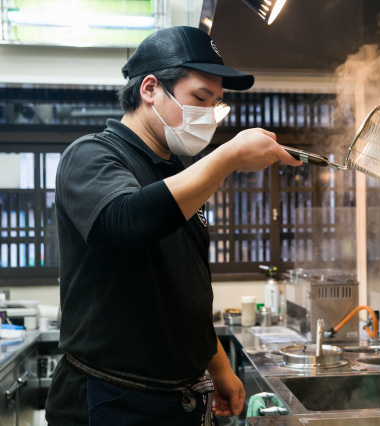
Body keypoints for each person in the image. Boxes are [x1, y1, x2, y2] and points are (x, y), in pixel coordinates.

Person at [45, 26, 301, 426]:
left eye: (216, 104)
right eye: (200, 98)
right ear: (150, 88)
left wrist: (217, 365)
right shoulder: (92, 155)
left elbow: (182, 287)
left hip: (180, 398)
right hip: (112, 397)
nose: (209, 114)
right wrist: (229, 156)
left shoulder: (174, 174)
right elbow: (127, 220)